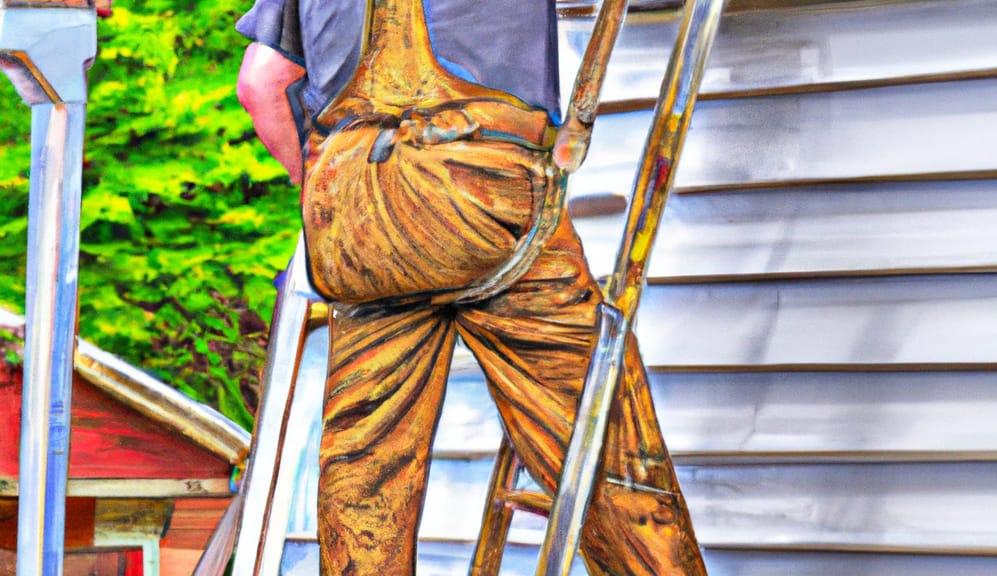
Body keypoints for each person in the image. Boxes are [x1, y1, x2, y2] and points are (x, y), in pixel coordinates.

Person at [236, 1, 707, 574]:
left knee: (365, 473)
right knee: (595, 435)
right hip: (475, 187)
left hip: (351, 209)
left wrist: (329, 187)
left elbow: (262, 83)